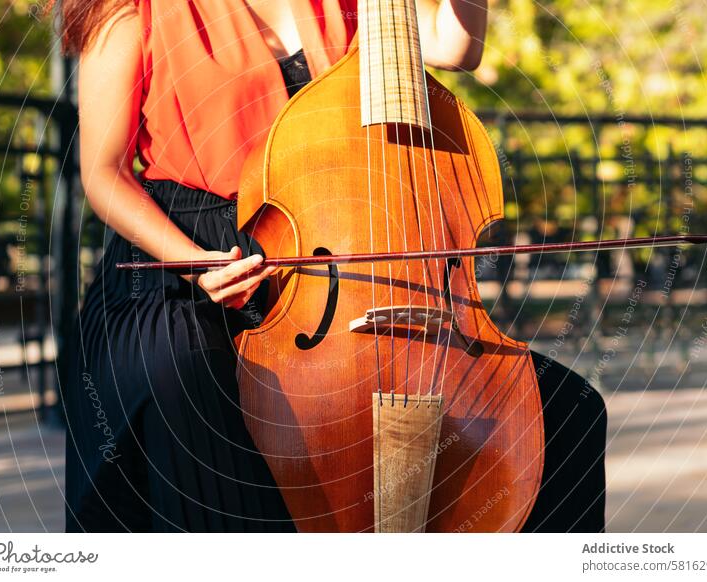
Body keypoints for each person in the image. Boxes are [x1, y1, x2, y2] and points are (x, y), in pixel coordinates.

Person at [58, 0, 606, 532]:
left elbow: (454, 46)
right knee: (182, 372)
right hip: (180, 266)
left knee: (569, 415)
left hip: (324, 273)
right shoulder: (131, 9)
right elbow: (105, 175)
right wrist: (193, 262)